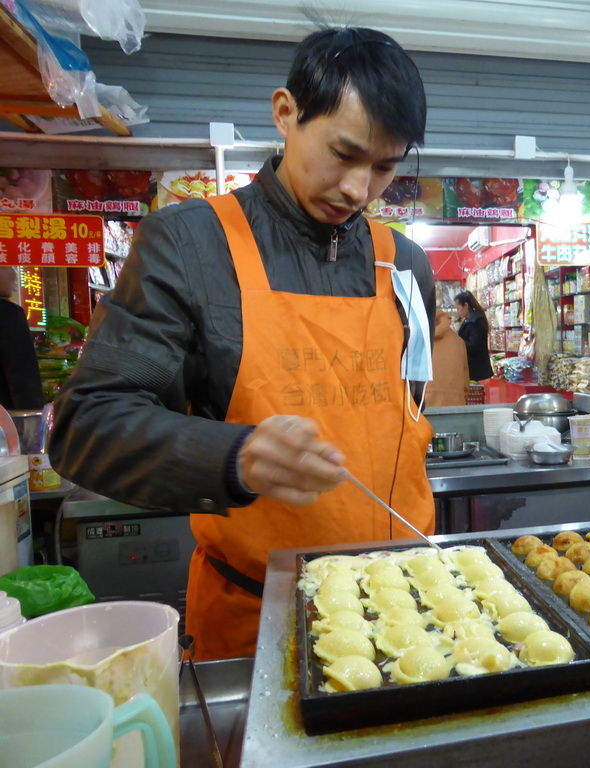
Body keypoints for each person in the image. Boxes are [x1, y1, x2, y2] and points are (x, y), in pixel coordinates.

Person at [49, 27, 436, 660]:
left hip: (411, 606)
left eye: (386, 167)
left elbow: (405, 413)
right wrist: (236, 457)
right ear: (285, 113)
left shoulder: (405, 267)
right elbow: (86, 426)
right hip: (258, 622)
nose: (359, 190)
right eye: (343, 153)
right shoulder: (188, 246)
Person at [0, 266, 44, 412]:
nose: (16, 273)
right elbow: (23, 376)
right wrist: (32, 423)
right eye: (8, 266)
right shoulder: (8, 314)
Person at [426, 309, 469, 407]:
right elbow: (465, 382)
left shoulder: (416, 340)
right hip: (455, 405)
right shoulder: (458, 341)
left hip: (422, 408)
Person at [455, 290, 493, 382]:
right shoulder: (469, 320)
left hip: (475, 369)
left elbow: (474, 345)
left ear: (466, 305)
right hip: (471, 367)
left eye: (458, 308)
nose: (458, 312)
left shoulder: (475, 322)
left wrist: (458, 341)